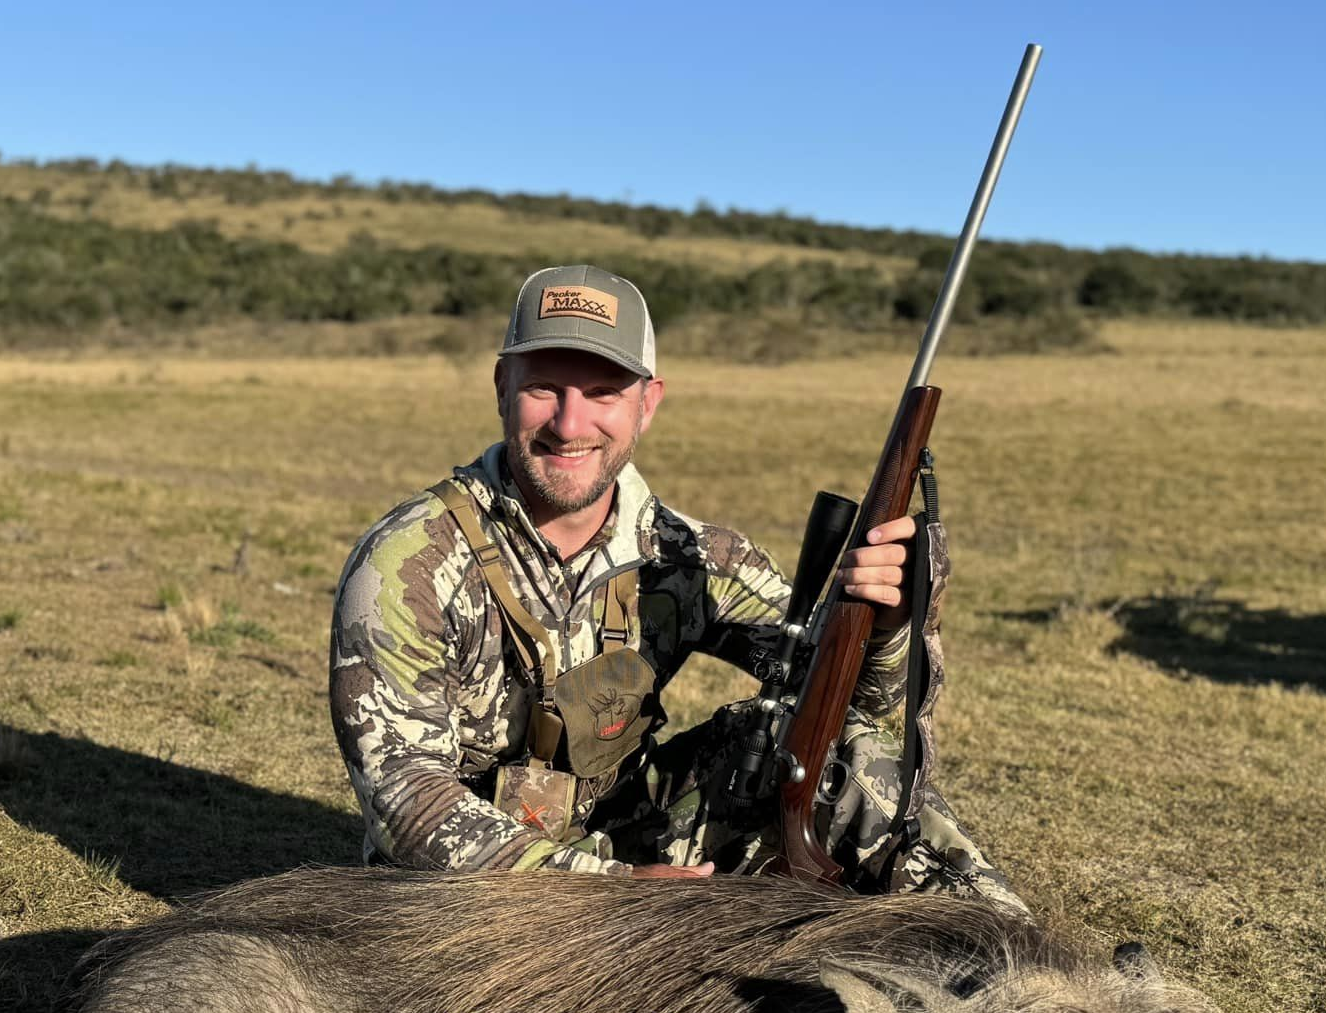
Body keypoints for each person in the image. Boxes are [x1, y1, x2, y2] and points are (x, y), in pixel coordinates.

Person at [330, 264, 1023, 909]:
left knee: (849, 756)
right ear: (502, 387)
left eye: (603, 392)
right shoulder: (407, 564)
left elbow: (846, 706)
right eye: (546, 388)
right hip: (462, 894)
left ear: (648, 403)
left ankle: (1018, 958)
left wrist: (888, 623)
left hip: (630, 841)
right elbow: (406, 799)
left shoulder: (694, 556)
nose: (571, 425)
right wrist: (613, 889)